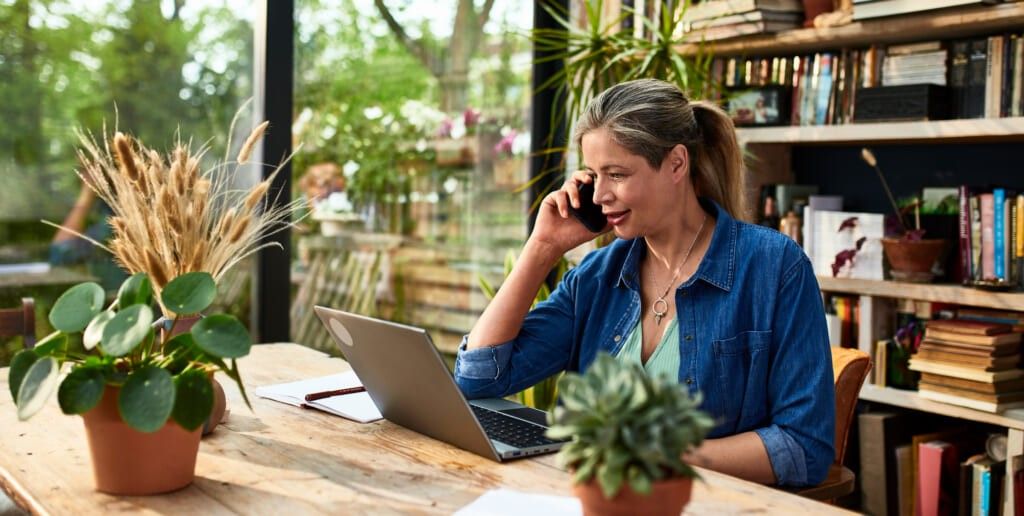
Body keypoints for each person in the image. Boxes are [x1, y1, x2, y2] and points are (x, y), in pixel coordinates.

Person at [454, 78, 834, 487]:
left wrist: (659, 454)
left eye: (616, 174)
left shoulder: (773, 267)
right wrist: (542, 247)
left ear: (675, 164)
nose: (599, 195)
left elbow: (802, 448)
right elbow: (478, 379)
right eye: (593, 175)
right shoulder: (597, 276)